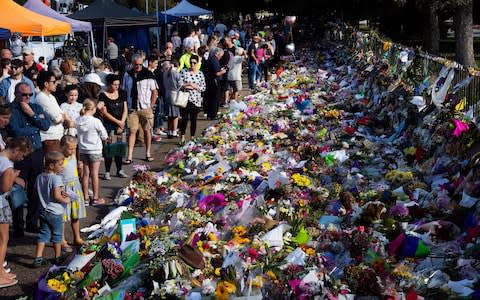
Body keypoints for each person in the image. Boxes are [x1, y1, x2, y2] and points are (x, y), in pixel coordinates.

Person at [7, 82, 50, 237]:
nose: (27, 97)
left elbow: (45, 125)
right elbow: (16, 131)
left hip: (37, 152)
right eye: (24, 94)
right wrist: (35, 126)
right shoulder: (11, 109)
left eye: (30, 95)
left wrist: (31, 114)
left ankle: (32, 222)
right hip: (20, 154)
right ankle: (18, 225)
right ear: (16, 94)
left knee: (35, 189)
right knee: (17, 189)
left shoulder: (35, 108)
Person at [0, 138, 31, 287]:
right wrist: (13, 176)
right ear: (16, 149)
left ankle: (1, 270)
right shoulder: (7, 165)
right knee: (2, 240)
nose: (22, 158)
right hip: (1, 204)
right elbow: (5, 188)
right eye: (22, 154)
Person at [32, 151, 71, 267]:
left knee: (43, 234)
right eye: (60, 164)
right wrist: (67, 200)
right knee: (57, 235)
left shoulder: (39, 177)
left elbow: (36, 192)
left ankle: (38, 257)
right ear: (51, 166)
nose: (62, 167)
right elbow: (57, 196)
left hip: (43, 210)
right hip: (55, 211)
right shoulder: (56, 178)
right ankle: (57, 257)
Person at [123, 54, 158, 164]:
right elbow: (123, 90)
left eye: (140, 64)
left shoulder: (148, 74)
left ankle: (147, 153)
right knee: (132, 131)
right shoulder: (127, 75)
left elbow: (154, 92)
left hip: (145, 107)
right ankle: (129, 156)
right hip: (132, 108)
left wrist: (151, 105)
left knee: (147, 131)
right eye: (136, 64)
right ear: (132, 64)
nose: (138, 66)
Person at [76, 99, 108, 206]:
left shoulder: (78, 120)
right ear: (93, 109)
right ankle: (95, 198)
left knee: (85, 174)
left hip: (83, 149)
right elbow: (104, 135)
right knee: (94, 174)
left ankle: (85, 198)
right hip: (95, 149)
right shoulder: (95, 121)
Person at [98, 74, 128, 180]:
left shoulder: (122, 93)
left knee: (120, 148)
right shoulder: (103, 95)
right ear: (109, 84)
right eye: (114, 84)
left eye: (118, 84)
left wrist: (122, 122)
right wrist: (118, 122)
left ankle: (119, 169)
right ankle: (107, 171)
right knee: (109, 149)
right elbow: (104, 112)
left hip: (121, 124)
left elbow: (125, 109)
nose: (116, 86)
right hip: (109, 124)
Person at [59, 136, 86, 250]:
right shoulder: (59, 159)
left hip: (75, 186)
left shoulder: (73, 156)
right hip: (64, 187)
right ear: (62, 147)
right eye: (70, 149)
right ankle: (62, 240)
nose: (72, 151)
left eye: (74, 148)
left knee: (75, 214)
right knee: (63, 216)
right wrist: (59, 189)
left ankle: (77, 238)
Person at [36, 71, 68, 152]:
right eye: (53, 82)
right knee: (54, 163)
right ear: (46, 84)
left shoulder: (51, 97)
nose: (56, 84)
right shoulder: (41, 98)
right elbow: (58, 118)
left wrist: (62, 116)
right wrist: (62, 116)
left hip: (58, 136)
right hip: (50, 138)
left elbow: (62, 113)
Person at [179, 55, 206, 143]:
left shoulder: (200, 73)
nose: (192, 64)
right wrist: (187, 84)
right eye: (191, 62)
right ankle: (182, 136)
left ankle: (192, 137)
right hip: (185, 98)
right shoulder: (184, 71)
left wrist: (195, 86)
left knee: (194, 119)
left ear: (197, 63)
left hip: (196, 99)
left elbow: (203, 87)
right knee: (185, 118)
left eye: (194, 63)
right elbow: (179, 83)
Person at [204, 47, 227, 120]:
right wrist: (223, 71)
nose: (221, 57)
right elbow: (217, 73)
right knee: (215, 98)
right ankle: (213, 114)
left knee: (209, 98)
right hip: (214, 81)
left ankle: (209, 114)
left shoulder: (211, 59)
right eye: (221, 56)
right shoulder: (214, 60)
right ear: (218, 53)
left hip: (209, 80)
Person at [162, 60, 182, 138]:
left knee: (169, 115)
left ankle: (169, 131)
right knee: (175, 115)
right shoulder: (176, 73)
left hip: (167, 93)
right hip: (174, 94)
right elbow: (180, 84)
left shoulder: (164, 74)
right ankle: (174, 131)